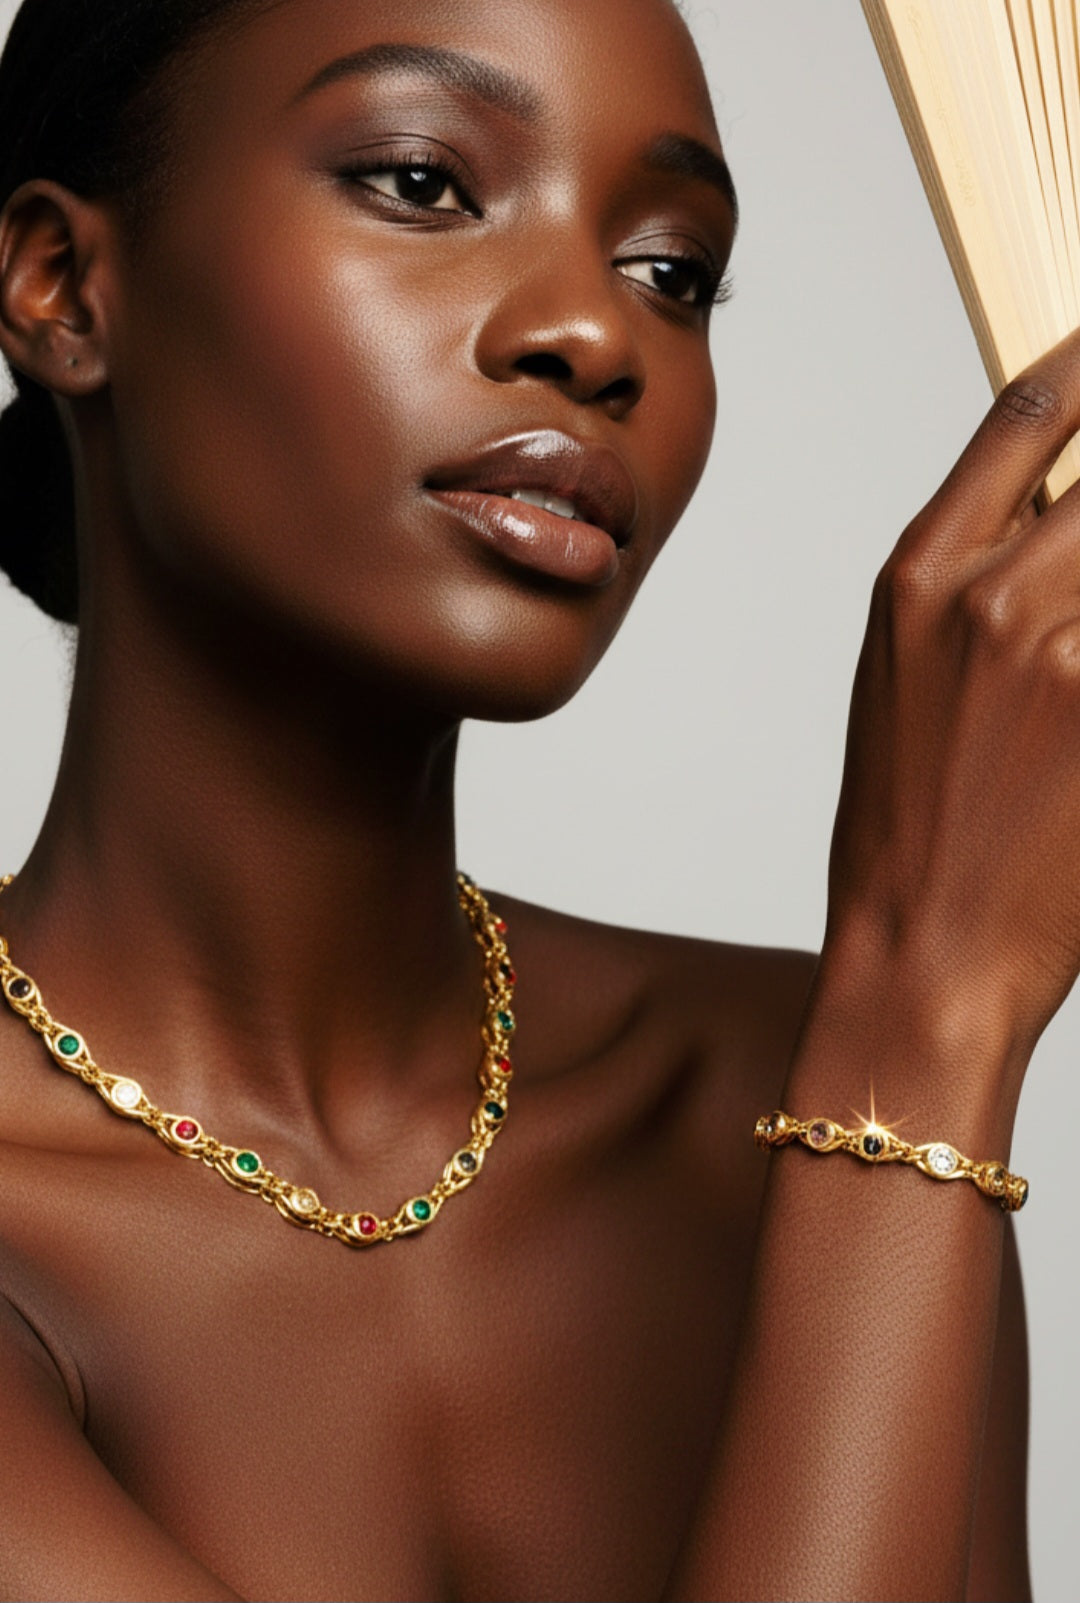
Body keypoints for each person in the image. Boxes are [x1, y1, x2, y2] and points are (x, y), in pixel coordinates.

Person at [0, 0, 1063, 1596]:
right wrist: (926, 1016)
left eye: (673, 272)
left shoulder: (785, 1102)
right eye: (426, 182)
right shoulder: (884, 1088)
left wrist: (912, 1061)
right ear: (63, 287)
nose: (596, 333)